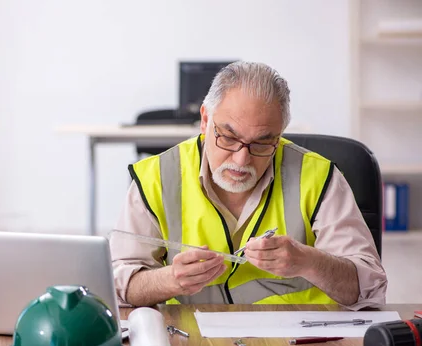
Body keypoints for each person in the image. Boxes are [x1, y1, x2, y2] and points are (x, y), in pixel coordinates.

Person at [110, 61, 387, 309]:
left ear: (279, 136)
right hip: (193, 345)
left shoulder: (318, 176)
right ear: (205, 120)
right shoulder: (157, 176)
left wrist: (308, 261)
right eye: (228, 137)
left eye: (262, 143)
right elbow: (115, 286)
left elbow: (370, 289)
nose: (242, 159)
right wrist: (169, 280)